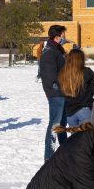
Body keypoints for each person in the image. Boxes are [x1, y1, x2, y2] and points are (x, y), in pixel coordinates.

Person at [39, 25, 69, 160]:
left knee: (61, 125)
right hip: (56, 93)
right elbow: (50, 77)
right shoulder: (49, 52)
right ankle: (49, 156)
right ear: (57, 37)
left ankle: (65, 153)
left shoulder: (58, 50)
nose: (64, 38)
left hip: (63, 92)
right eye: (63, 36)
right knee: (55, 124)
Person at [58, 47, 94, 133]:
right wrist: (87, 95)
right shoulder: (87, 71)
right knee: (87, 140)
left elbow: (60, 91)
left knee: (76, 141)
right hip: (84, 109)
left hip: (69, 112)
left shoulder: (62, 73)